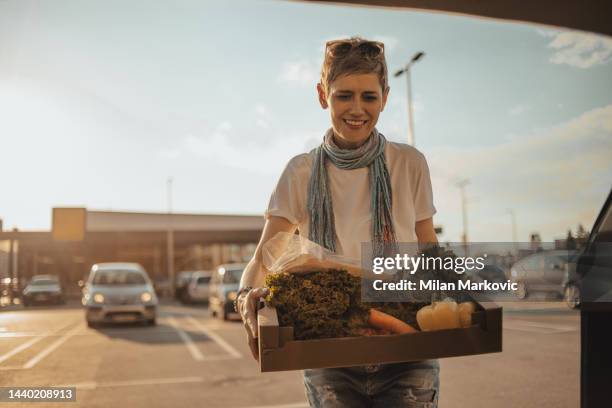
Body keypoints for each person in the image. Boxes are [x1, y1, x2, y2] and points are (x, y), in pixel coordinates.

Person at [237, 37, 440, 407]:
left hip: (407, 350)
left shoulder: (410, 163)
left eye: (369, 97)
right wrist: (245, 297)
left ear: (386, 97)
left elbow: (427, 247)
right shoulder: (300, 172)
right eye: (344, 95)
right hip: (329, 356)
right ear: (322, 95)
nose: (357, 109)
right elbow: (264, 259)